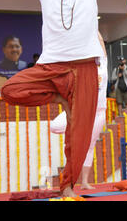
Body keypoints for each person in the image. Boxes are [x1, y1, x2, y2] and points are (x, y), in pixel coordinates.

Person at [0, 0, 101, 197]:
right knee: (10, 89)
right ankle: (59, 99)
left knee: (79, 134)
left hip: (85, 70)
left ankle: (68, 186)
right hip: (52, 67)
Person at [50, 32, 107, 189]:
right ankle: (76, 133)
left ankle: (85, 182)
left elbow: (100, 41)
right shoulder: (82, 68)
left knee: (90, 145)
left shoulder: (104, 62)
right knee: (54, 126)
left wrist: (92, 26)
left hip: (99, 112)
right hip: (82, 111)